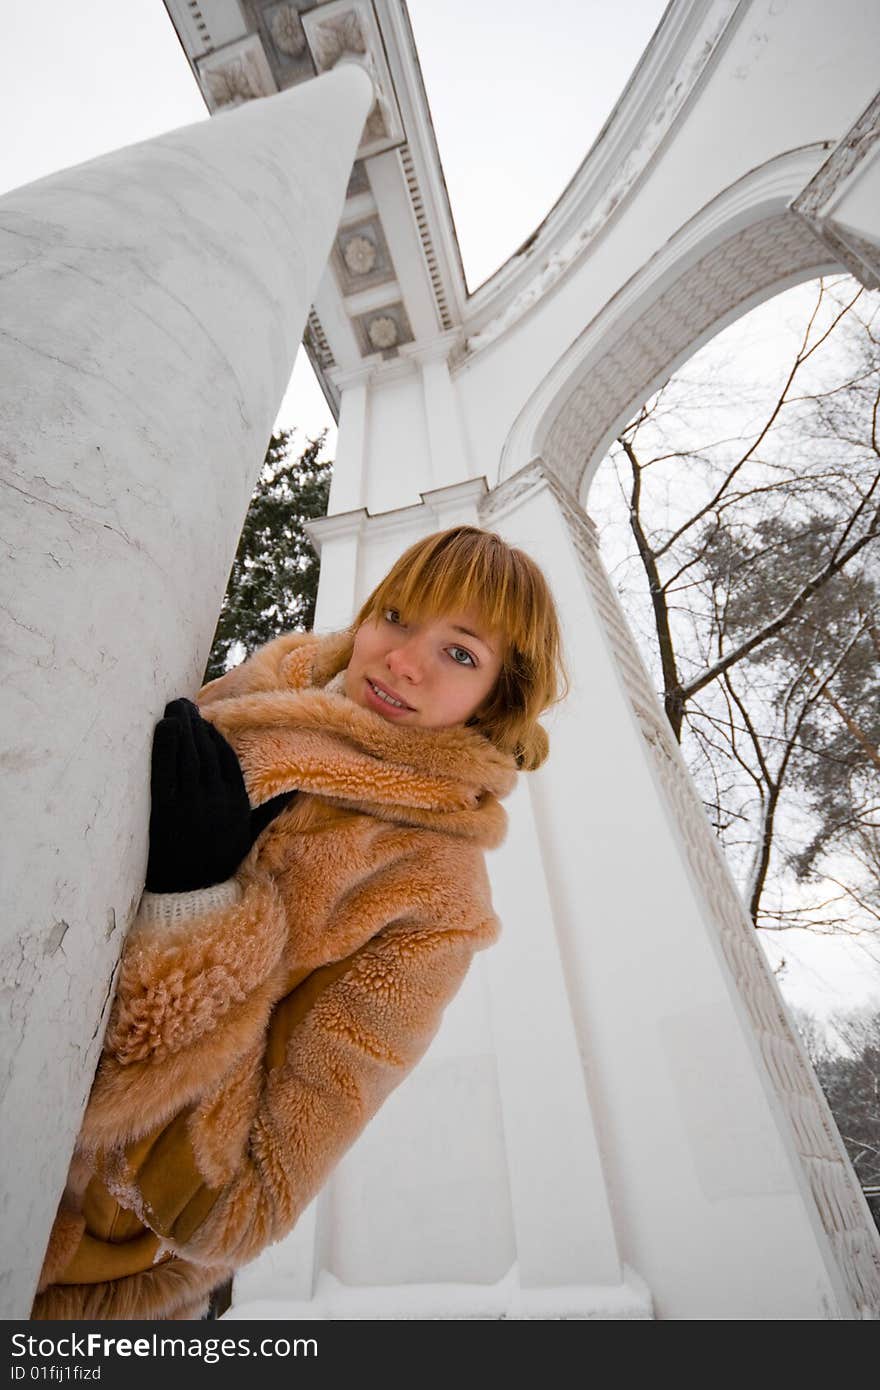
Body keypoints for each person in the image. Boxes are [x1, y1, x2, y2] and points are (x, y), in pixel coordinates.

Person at [32, 525, 567, 1320]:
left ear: (499, 697)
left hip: (71, 1273)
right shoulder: (243, 699)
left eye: (460, 654)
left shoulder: (435, 897)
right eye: (396, 615)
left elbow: (246, 1199)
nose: (403, 660)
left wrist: (198, 909)